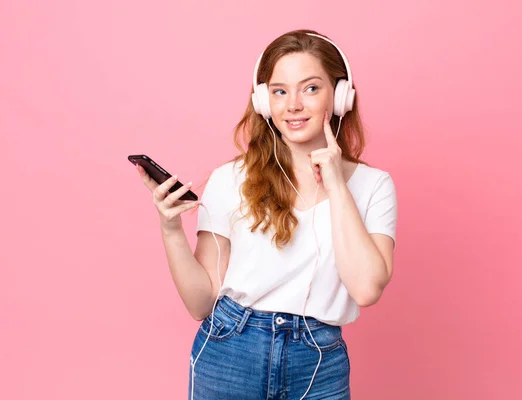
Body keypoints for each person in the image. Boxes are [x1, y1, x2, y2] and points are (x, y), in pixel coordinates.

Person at [135, 29, 397, 400]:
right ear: (262, 100)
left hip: (318, 361)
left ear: (340, 98)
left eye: (310, 88)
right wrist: (171, 228)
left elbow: (366, 288)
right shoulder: (230, 180)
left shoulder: (374, 186)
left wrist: (337, 186)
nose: (292, 105)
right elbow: (201, 303)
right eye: (279, 91)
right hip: (230, 349)